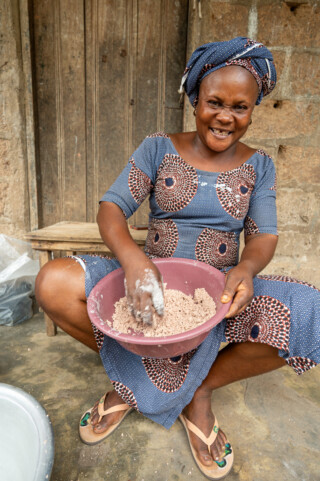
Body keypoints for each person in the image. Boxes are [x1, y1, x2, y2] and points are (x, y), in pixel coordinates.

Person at [35, 37, 319, 480]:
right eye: (215, 102)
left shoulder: (259, 165)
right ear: (195, 100)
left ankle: (198, 390)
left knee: (309, 313)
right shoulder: (157, 147)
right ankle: (132, 379)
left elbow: (264, 236)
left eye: (240, 107)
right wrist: (132, 260)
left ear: (254, 108)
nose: (226, 116)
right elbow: (111, 208)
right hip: (147, 283)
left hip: (218, 295)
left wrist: (245, 269)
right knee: (52, 282)